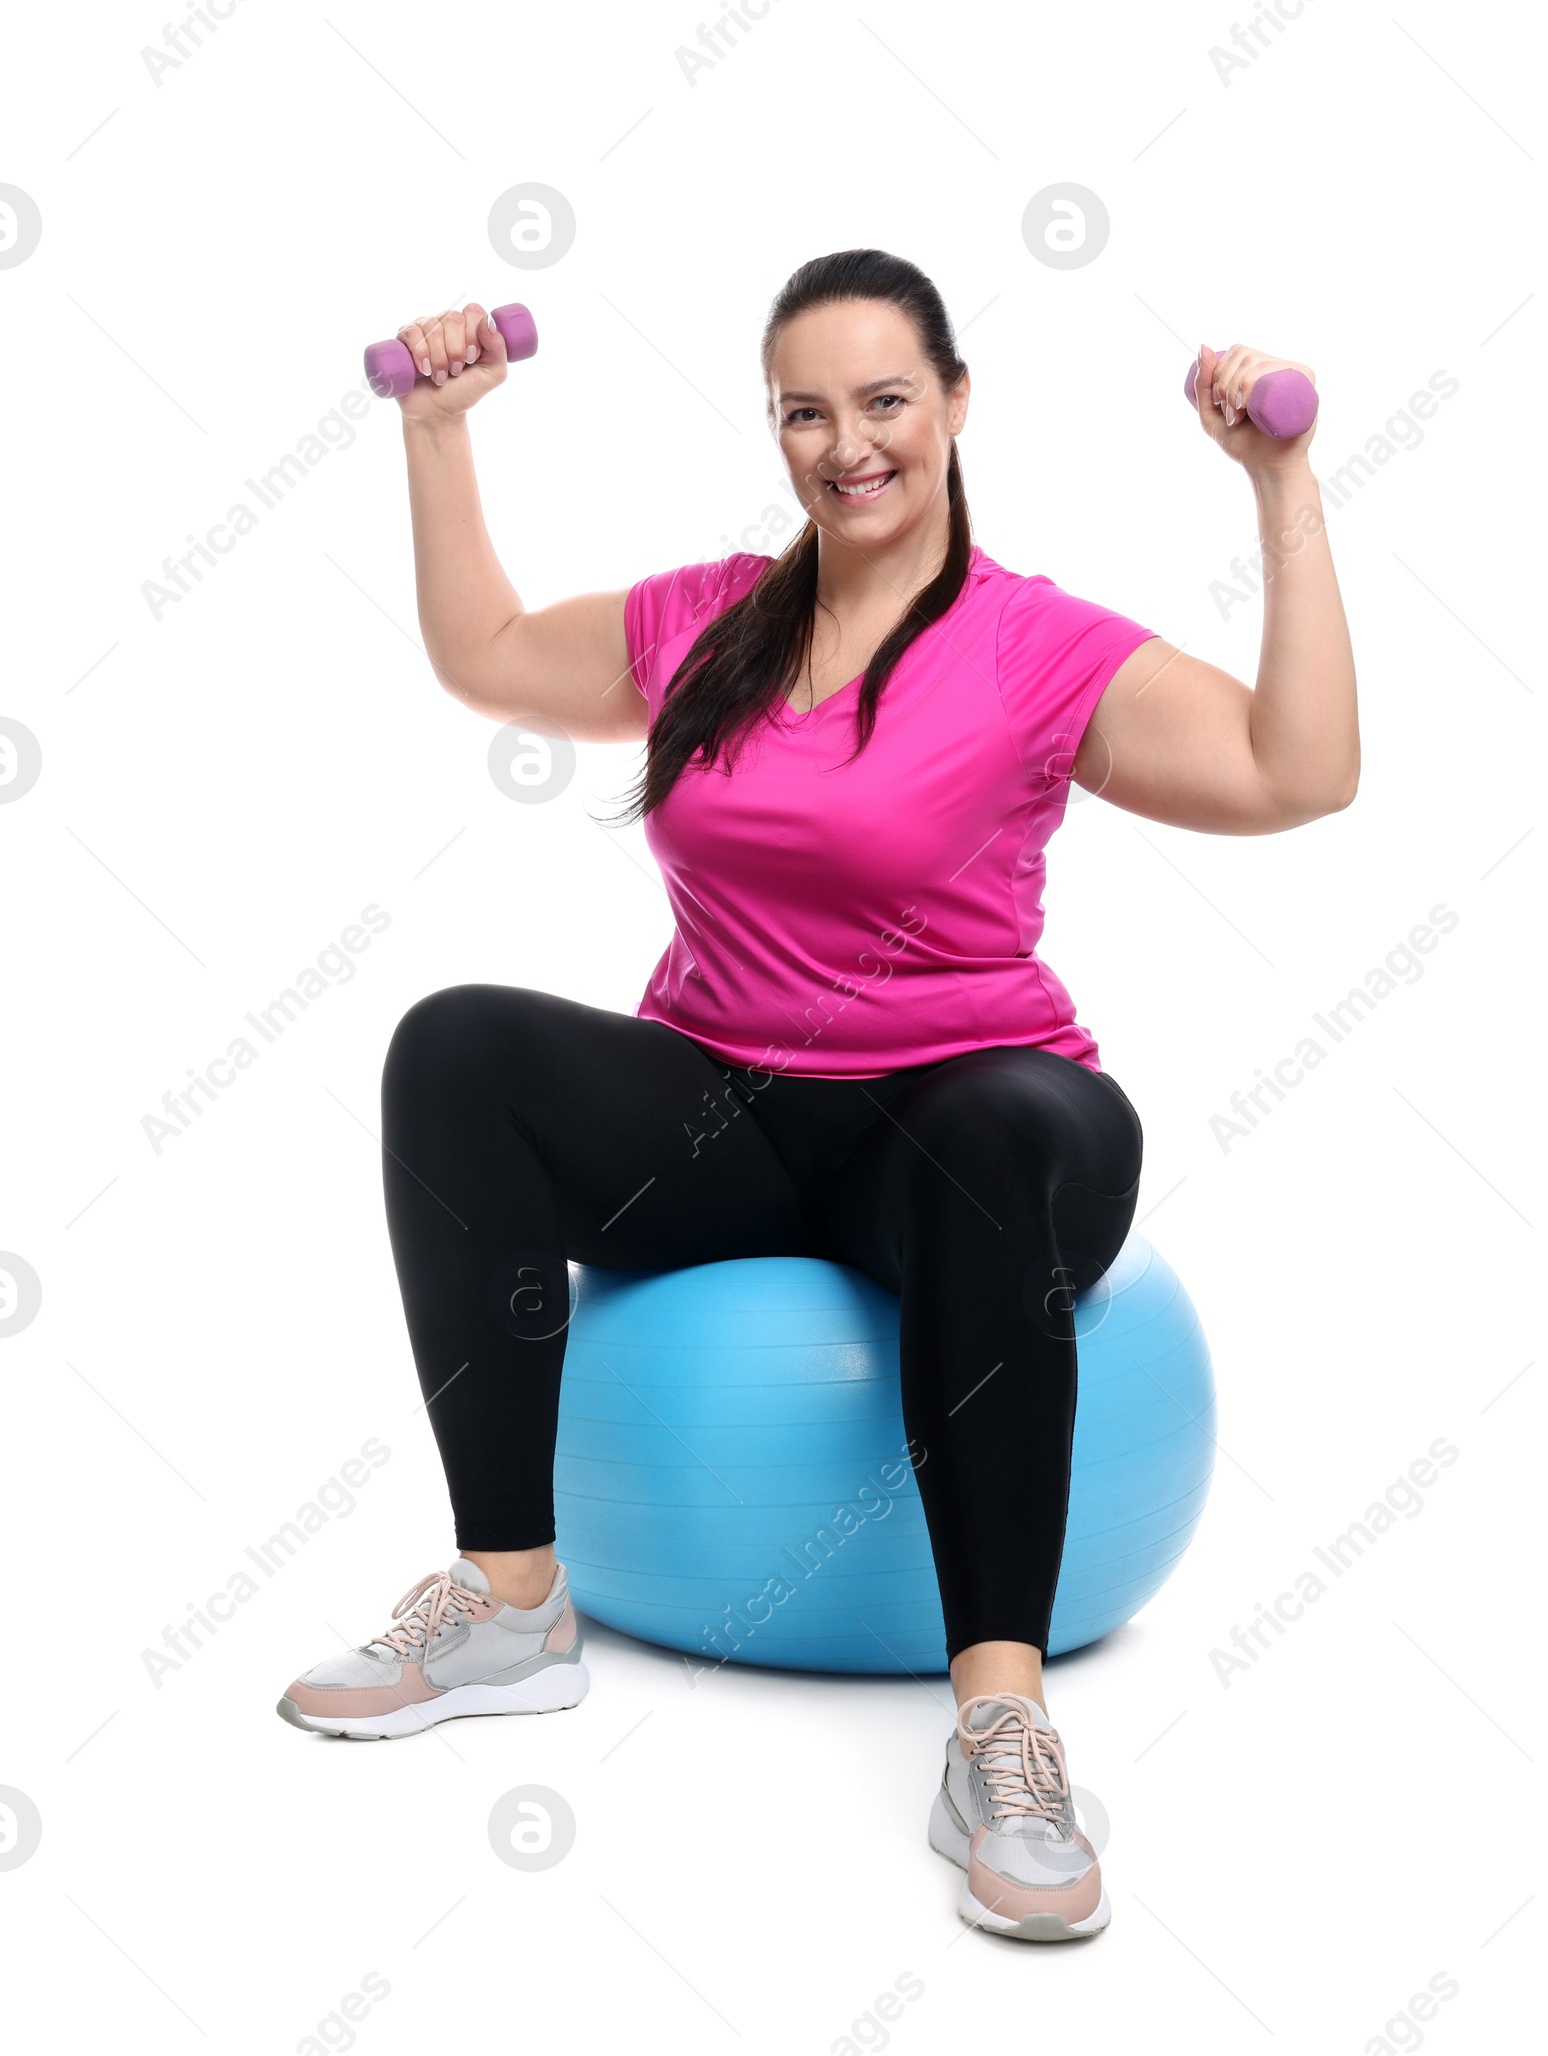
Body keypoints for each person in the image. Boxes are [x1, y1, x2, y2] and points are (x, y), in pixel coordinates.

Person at [277, 249, 1357, 1942]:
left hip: (971, 1119)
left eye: (884, 402)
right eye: (805, 410)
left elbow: (1301, 772)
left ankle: (998, 1727)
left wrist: (1282, 486)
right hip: (728, 1111)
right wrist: (439, 429)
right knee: (456, 1045)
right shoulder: (713, 619)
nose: (847, 445)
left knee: (992, 1133)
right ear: (772, 429)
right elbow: (485, 654)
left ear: (954, 407)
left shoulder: (1033, 646)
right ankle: (509, 1605)